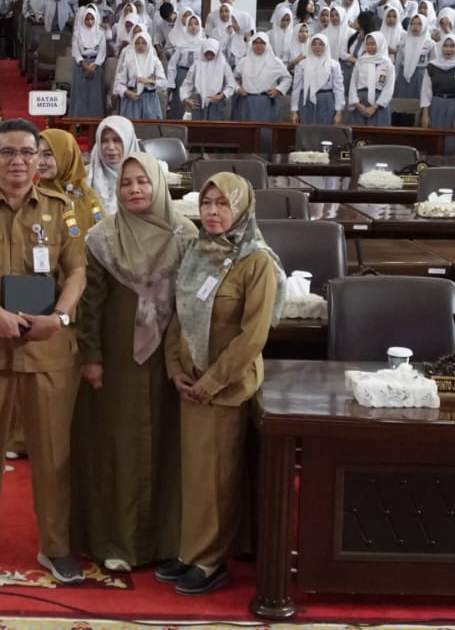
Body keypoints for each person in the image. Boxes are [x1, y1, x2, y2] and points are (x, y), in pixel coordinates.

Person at [0, 118, 87, 586]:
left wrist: (61, 317)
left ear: (39, 157)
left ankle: (56, 547)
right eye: (8, 152)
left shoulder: (62, 208)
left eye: (29, 152)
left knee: (53, 454)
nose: (20, 161)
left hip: (48, 350)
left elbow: (77, 272)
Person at [73, 153, 196, 573]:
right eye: (126, 183)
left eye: (143, 181)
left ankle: (168, 541)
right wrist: (90, 357)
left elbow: (197, 304)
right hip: (117, 361)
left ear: (158, 184)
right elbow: (89, 305)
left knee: (167, 447)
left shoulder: (186, 235)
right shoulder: (102, 237)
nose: (135, 190)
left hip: (171, 360)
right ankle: (117, 541)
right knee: (119, 451)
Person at [162, 172, 282, 595]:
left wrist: (211, 383)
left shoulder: (257, 261)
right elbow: (179, 312)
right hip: (190, 380)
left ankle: (212, 562)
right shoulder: (198, 250)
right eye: (207, 203)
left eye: (222, 204)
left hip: (227, 387)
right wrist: (175, 367)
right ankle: (191, 549)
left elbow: (253, 336)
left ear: (242, 208)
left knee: (218, 476)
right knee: (194, 473)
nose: (212, 212)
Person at [86, 115, 140, 217]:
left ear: (128, 142)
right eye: (104, 141)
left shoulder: (146, 177)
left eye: (117, 140)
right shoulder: (84, 177)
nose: (111, 147)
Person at [231, 33, 290, 123]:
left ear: (267, 45)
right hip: (247, 102)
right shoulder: (244, 61)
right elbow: (233, 79)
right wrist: (238, 88)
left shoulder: (276, 62)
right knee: (247, 132)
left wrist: (278, 90)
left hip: (268, 102)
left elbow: (287, 78)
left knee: (267, 133)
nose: (258, 45)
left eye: (262, 43)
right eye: (255, 43)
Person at [419, 35, 455, 130]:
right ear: (440, 47)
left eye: (452, 46)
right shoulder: (432, 66)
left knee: (451, 140)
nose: (448, 49)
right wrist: (425, 114)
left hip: (454, 106)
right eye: (445, 46)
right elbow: (426, 92)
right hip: (435, 105)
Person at [290, 33, 344, 125]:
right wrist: (294, 110)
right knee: (306, 131)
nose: (317, 47)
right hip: (306, 100)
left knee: (325, 131)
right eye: (314, 44)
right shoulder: (302, 64)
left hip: (326, 100)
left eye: (321, 44)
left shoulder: (334, 65)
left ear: (326, 46)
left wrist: (339, 112)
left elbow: (339, 89)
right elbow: (296, 88)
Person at [115, 30, 169, 120]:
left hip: (149, 100)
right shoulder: (128, 61)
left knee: (148, 129)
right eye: (137, 43)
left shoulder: (155, 61)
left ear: (148, 44)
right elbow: (118, 84)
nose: (140, 46)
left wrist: (150, 81)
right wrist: (127, 92)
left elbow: (164, 83)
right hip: (131, 100)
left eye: (144, 43)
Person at [181, 38, 235, 122]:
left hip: (216, 103)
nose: (209, 55)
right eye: (207, 53)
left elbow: (231, 85)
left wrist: (221, 96)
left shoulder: (224, 66)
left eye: (212, 53)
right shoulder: (195, 66)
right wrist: (185, 98)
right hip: (198, 103)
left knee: (215, 131)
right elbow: (187, 84)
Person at [68, 5, 108, 118]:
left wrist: (93, 67)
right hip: (81, 66)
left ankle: (95, 121)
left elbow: (102, 52)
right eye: (87, 19)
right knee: (80, 95)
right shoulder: (77, 33)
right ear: (83, 19)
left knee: (95, 95)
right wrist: (85, 66)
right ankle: (78, 121)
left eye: (92, 19)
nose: (89, 22)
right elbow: (76, 51)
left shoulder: (100, 33)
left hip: (96, 66)